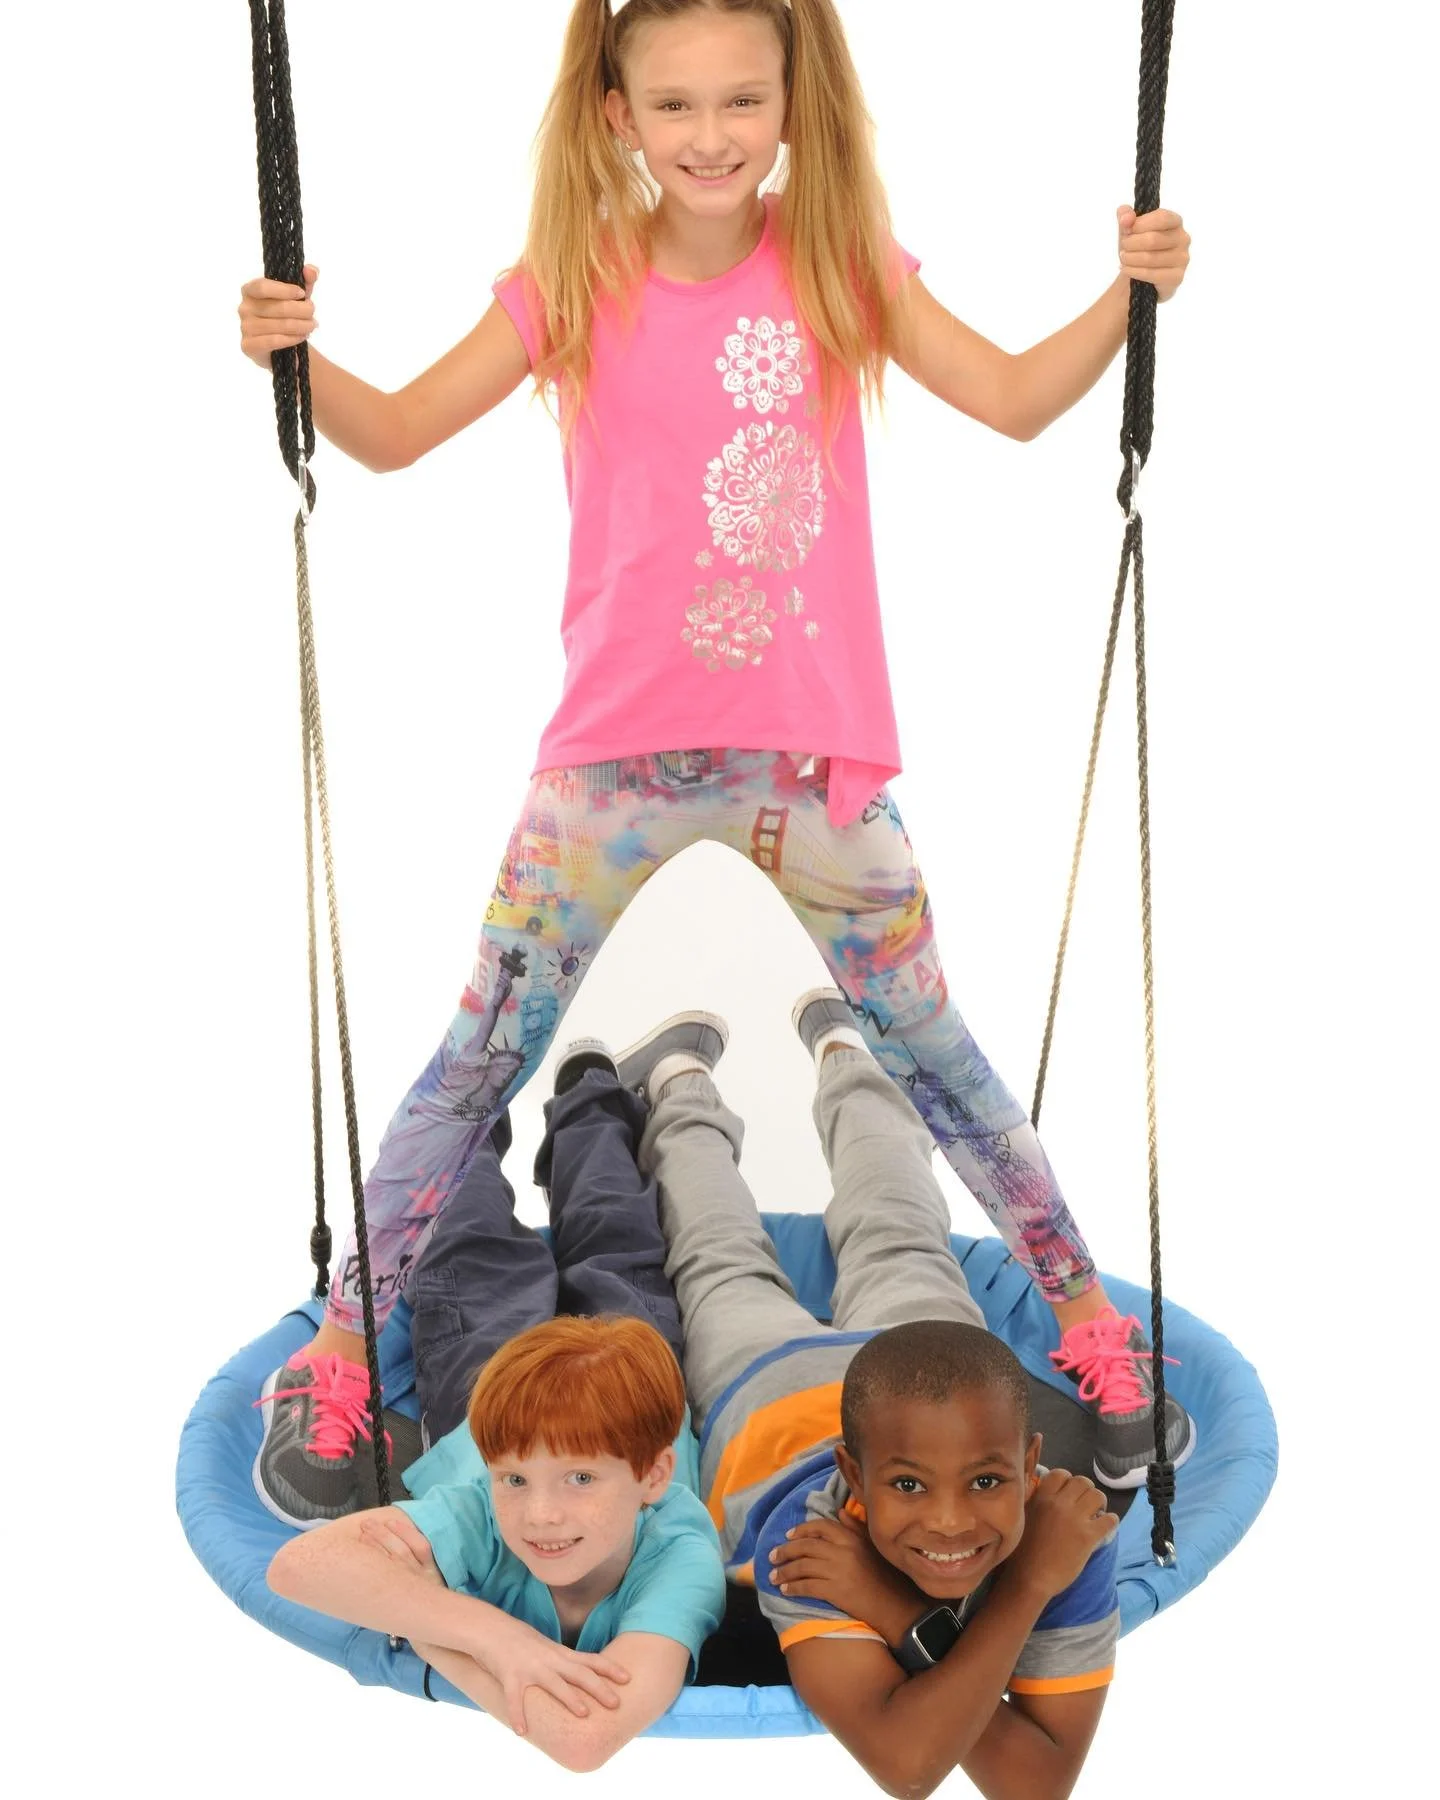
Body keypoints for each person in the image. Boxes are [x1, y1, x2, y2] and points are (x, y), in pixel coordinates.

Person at [238, 0, 1196, 1525]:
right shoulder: (577, 274)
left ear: (793, 102)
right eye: (673, 103)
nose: (708, 135)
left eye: (741, 100)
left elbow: (1014, 402)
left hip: (811, 772)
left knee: (938, 1054)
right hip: (609, 766)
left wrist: (1125, 299)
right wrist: (301, 364)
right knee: (475, 1058)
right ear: (615, 112)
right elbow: (400, 431)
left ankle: (1089, 1331)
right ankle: (343, 1351)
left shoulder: (836, 267)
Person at [641, 991, 1124, 1799]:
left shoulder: (1065, 1521)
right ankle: (678, 1085)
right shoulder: (808, 1544)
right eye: (905, 1487)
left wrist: (898, 1617)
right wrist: (1031, 1582)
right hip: (774, 1390)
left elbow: (1036, 1785)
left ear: (1030, 1459)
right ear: (853, 1479)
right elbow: (908, 1763)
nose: (949, 1520)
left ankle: (843, 1049)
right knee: (724, 1260)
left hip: (926, 1390)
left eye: (987, 1481)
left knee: (880, 1227)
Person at [264, 1029, 726, 1772]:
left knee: (471, 1241)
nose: (539, 1514)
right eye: (516, 1481)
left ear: (652, 1477)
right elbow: (296, 1567)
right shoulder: (490, 1501)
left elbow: (582, 1740)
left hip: (500, 1389)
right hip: (571, 1387)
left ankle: (536, 1100)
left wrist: (425, 1622)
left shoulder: (679, 1558)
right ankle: (586, 1094)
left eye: (579, 1479)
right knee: (618, 1246)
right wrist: (494, 1639)